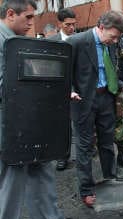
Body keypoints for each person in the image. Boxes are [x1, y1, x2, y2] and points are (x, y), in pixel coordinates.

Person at [0, 1, 73, 219]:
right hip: (9, 124)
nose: (32, 24)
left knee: (41, 166)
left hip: (33, 118)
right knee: (11, 179)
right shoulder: (3, 42)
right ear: (10, 14)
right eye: (28, 17)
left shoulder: (17, 41)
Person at [67, 10, 123, 207]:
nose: (115, 42)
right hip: (83, 101)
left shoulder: (110, 44)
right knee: (85, 146)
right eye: (113, 36)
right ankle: (86, 189)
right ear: (101, 27)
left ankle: (110, 179)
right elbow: (64, 72)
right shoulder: (76, 42)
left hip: (106, 97)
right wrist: (69, 90)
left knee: (107, 143)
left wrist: (122, 85)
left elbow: (109, 70)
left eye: (117, 38)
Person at [48, 7, 77, 171]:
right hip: (59, 89)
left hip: (79, 87)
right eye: (68, 25)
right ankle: (63, 156)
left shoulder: (80, 39)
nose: (71, 28)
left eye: (74, 24)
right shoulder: (53, 41)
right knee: (62, 124)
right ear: (60, 24)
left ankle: (88, 149)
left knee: (83, 121)